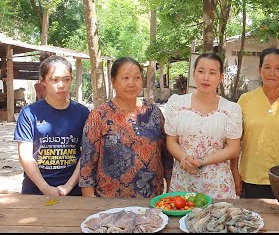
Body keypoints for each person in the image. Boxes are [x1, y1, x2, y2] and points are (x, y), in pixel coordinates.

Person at [79, 57, 173, 198]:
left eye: (137, 78)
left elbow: (167, 157)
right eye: (125, 78)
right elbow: (87, 164)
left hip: (151, 200)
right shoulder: (98, 116)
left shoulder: (154, 113)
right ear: (113, 81)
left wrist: (170, 193)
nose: (132, 83)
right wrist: (91, 202)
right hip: (109, 203)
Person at [163, 52, 242, 199]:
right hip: (183, 181)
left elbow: (234, 149)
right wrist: (184, 158)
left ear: (221, 77)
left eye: (212, 73)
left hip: (218, 185)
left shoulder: (231, 109)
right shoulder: (177, 104)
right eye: (201, 71)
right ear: (193, 74)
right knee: (180, 220)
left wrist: (202, 161)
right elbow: (171, 141)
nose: (206, 77)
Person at [14, 55, 90, 196]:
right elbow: (25, 156)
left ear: (71, 80)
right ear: (42, 81)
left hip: (73, 190)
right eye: (54, 80)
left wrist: (67, 187)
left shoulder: (82, 113)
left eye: (66, 79)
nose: (61, 85)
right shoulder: (29, 113)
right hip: (35, 190)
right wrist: (45, 188)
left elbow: (87, 155)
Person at [237, 48, 279, 199]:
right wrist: (236, 174)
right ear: (260, 70)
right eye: (267, 67)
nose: (272, 73)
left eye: (278, 68)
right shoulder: (245, 101)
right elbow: (236, 141)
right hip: (251, 177)